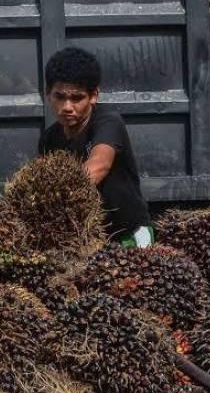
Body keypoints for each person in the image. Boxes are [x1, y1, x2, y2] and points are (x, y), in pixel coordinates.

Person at [39, 46, 153, 247]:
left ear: (93, 96)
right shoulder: (49, 138)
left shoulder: (108, 122)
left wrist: (55, 194)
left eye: (76, 98)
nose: (67, 107)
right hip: (86, 241)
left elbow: (99, 165)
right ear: (48, 94)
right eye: (59, 96)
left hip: (128, 235)